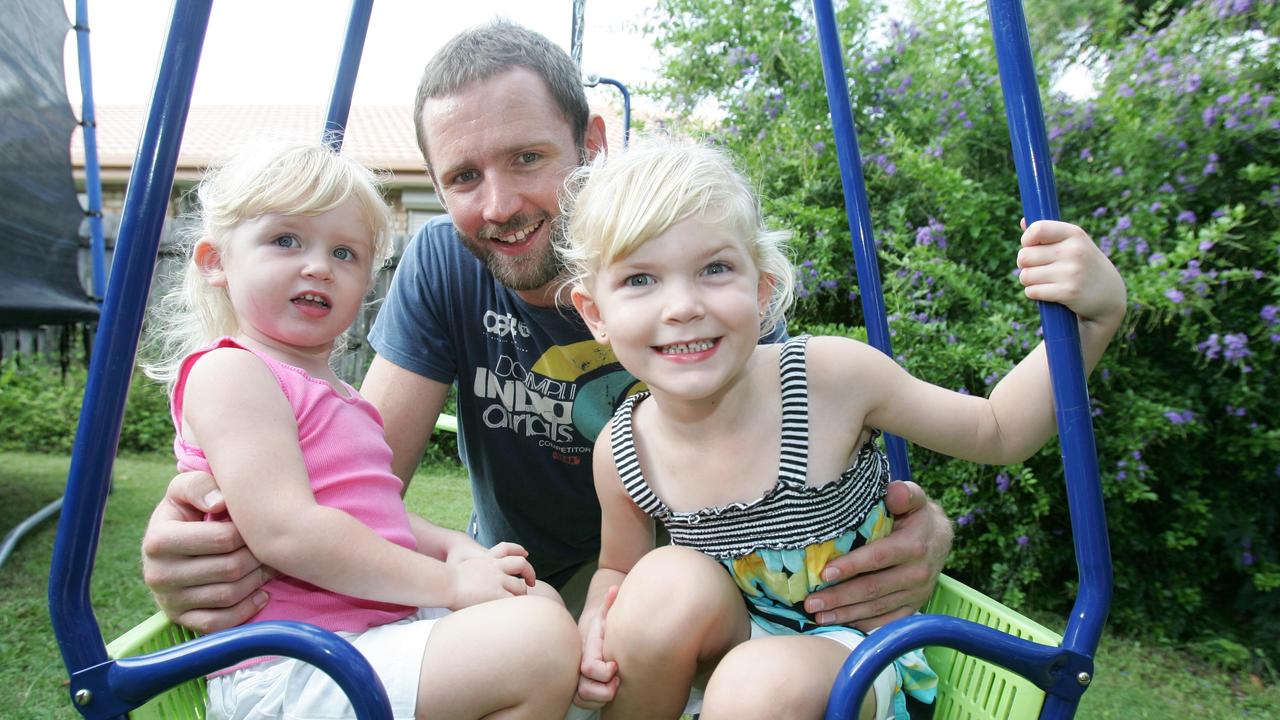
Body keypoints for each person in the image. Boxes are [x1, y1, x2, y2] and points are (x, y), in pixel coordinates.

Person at [139, 20, 952, 646]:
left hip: (697, 586)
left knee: (648, 623)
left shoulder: (689, 254)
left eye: (528, 158)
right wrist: (210, 512)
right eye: (463, 177)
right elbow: (352, 479)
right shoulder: (444, 267)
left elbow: (814, 437)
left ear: (591, 144)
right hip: (513, 578)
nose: (497, 205)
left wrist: (923, 527)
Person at [557, 137, 1127, 719]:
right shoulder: (623, 449)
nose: (681, 306)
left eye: (715, 269)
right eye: (640, 280)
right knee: (659, 586)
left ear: (761, 289)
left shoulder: (829, 379)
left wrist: (1093, 322)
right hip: (733, 642)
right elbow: (618, 568)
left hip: (858, 653)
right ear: (595, 313)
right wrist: (601, 613)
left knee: (756, 687)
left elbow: (999, 430)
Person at [141, 140, 579, 720]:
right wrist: (449, 586)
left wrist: (457, 550)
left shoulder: (341, 395)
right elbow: (289, 531)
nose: (319, 265)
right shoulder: (232, 372)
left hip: (364, 636)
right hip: (293, 664)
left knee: (535, 600)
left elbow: (370, 509)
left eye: (345, 253)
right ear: (215, 261)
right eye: (285, 240)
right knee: (535, 642)